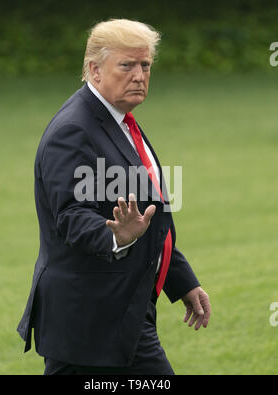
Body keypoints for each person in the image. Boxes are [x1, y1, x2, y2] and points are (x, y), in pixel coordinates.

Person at [17, 18, 211, 375]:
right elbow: (71, 214)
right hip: (88, 321)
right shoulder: (75, 130)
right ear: (94, 70)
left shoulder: (120, 121)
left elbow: (148, 216)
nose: (139, 75)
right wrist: (113, 235)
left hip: (124, 311)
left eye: (145, 65)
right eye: (127, 65)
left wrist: (182, 280)